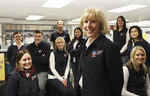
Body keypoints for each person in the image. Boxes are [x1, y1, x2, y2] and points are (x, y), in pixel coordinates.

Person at [75, 8, 123, 96]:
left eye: (93, 22)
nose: (88, 25)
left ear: (100, 25)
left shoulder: (109, 47)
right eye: (86, 22)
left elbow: (117, 81)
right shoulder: (85, 45)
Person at [27, 30, 50, 94]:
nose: (37, 38)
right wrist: (40, 57)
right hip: (31, 71)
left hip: (42, 71)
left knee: (40, 88)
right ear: (33, 37)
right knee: (29, 88)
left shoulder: (47, 46)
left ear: (42, 37)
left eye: (39, 36)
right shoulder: (29, 47)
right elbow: (29, 60)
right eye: (35, 36)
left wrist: (33, 57)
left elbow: (45, 60)